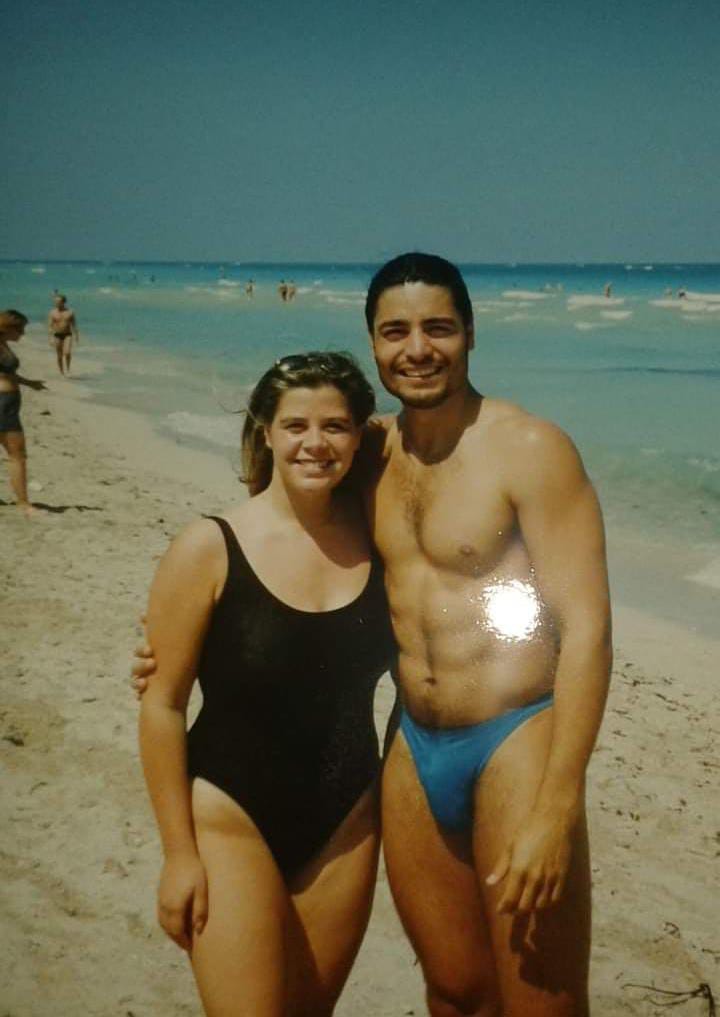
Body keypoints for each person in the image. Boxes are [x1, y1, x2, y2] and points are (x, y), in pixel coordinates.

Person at [135, 253, 612, 1016]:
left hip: (515, 738)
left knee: (541, 1005)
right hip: (412, 746)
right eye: (396, 331)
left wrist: (558, 806)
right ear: (374, 343)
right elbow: (290, 531)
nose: (417, 348)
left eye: (439, 328)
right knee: (453, 990)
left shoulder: (529, 449)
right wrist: (186, 640)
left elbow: (586, 631)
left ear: (471, 334)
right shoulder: (371, 453)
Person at [138, 352, 396, 1017]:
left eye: (336, 426)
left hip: (348, 821)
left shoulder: (382, 543)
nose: (316, 443)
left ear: (360, 433)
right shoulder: (210, 544)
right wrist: (177, 856)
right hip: (229, 814)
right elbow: (162, 706)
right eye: (297, 425)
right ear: (266, 431)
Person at [0, 310, 46, 518]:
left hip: (7, 404)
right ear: (7, 327)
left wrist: (30, 383)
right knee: (17, 455)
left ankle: (23, 502)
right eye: (19, 329)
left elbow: (8, 373)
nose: (22, 333)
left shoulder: (3, 344)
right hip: (3, 406)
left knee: (16, 455)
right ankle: (23, 504)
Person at [47, 293, 79, 376]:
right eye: (55, 302)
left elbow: (74, 325)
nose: (56, 303)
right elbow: (50, 326)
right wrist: (50, 338)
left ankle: (68, 369)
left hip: (68, 334)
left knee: (67, 352)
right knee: (59, 355)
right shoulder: (52, 312)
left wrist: (76, 336)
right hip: (57, 335)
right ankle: (62, 372)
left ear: (63, 302)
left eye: (58, 302)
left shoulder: (70, 312)